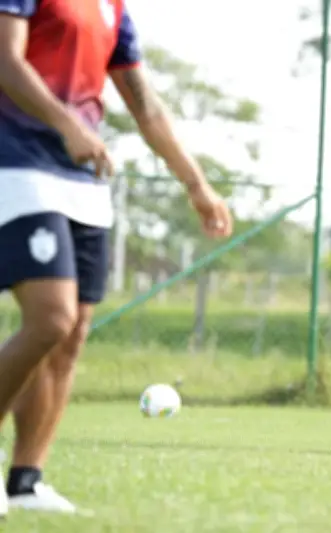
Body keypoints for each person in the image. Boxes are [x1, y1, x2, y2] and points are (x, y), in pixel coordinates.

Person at [0, 0, 233, 515]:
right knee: (50, 318)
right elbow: (5, 59)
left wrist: (197, 185)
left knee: (73, 331)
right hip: (18, 164)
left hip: (84, 179)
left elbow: (146, 105)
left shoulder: (114, 9)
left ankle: (25, 479)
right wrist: (67, 125)